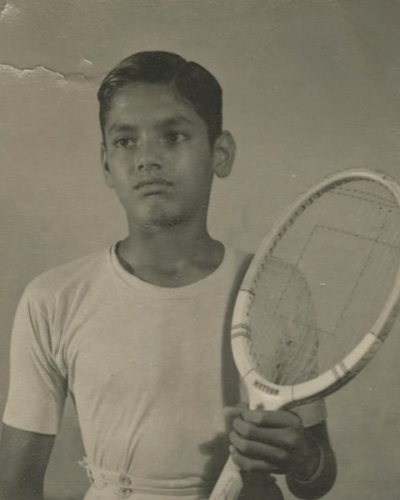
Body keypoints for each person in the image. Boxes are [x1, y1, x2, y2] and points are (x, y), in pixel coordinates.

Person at [0, 51, 336, 500]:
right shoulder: (53, 298)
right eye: (125, 141)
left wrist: (304, 459)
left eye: (173, 136)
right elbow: (15, 485)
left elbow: (315, 479)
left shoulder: (276, 287)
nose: (147, 159)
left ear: (220, 153)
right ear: (106, 163)